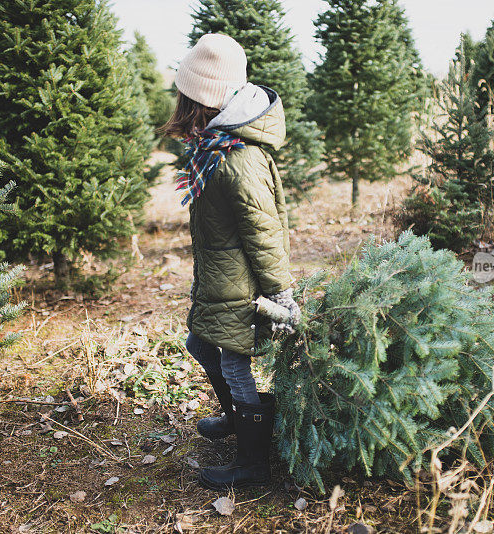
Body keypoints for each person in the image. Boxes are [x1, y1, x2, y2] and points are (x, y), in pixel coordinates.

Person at [163, 33, 300, 490]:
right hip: (220, 278)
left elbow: (264, 232)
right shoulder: (214, 145)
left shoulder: (235, 159)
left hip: (241, 285)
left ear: (200, 98)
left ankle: (252, 463)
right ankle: (239, 417)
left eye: (183, 94)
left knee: (234, 365)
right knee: (201, 347)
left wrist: (281, 294)